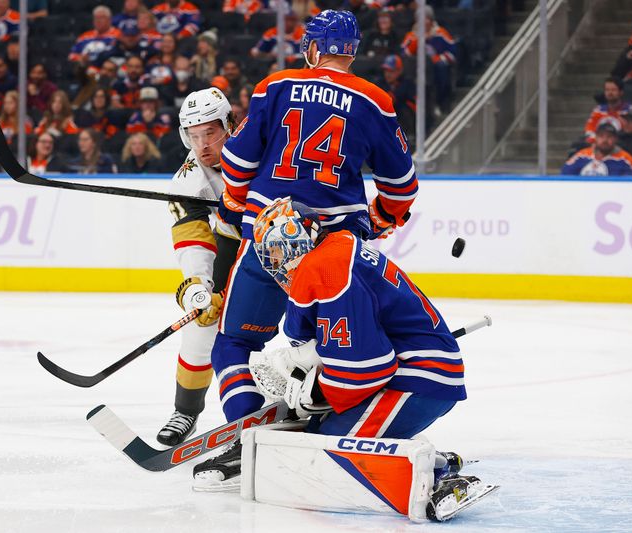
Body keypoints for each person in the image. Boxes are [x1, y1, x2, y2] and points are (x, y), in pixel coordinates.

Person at [192, 10, 418, 490]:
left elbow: (237, 162)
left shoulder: (274, 85)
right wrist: (382, 217)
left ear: (313, 48)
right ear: (351, 52)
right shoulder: (376, 101)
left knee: (234, 342)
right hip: (336, 246)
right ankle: (334, 422)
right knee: (340, 345)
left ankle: (244, 427)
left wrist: (234, 202)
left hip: (270, 234)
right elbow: (402, 187)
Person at [241, 197, 482, 521]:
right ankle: (438, 463)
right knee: (323, 434)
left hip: (417, 378)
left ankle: (433, 483)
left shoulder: (326, 267)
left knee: (326, 452)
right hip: (422, 373)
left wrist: (316, 392)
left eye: (279, 251)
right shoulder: (339, 249)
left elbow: (367, 367)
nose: (277, 263)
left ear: (298, 239)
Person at [157, 87, 241, 446]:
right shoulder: (188, 181)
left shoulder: (260, 152)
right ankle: (186, 410)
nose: (203, 145)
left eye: (210, 133)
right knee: (203, 321)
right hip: (231, 248)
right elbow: (194, 239)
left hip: (285, 246)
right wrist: (199, 286)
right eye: (193, 136)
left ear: (230, 126)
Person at [400, 5, 455, 113]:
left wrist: (436, 59)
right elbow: (404, 53)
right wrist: (419, 40)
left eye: (426, 18)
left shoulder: (440, 33)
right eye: (420, 19)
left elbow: (453, 52)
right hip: (416, 68)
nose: (424, 22)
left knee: (441, 67)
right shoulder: (411, 35)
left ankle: (440, 102)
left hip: (436, 67)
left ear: (431, 20)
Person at [562, 122, 632, 176]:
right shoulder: (581, 156)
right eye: (601, 136)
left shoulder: (627, 160)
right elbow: (565, 175)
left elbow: (630, 184)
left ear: (615, 139)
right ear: (596, 138)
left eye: (609, 136)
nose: (605, 140)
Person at [582, 77, 632, 144]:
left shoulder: (630, 109)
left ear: (621, 92)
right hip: (599, 144)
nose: (610, 93)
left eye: (613, 90)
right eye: (607, 90)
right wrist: (596, 140)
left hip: (623, 144)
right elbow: (589, 129)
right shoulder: (598, 109)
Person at [68, 5, 123, 71]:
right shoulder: (84, 36)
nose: (98, 20)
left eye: (101, 17)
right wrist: (80, 58)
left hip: (108, 69)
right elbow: (71, 55)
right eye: (96, 18)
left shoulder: (118, 34)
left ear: (110, 19)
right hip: (86, 70)